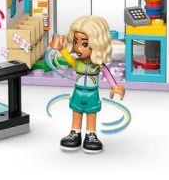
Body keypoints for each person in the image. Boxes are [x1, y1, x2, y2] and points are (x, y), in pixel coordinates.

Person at [50, 15, 124, 153]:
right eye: (76, 42)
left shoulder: (97, 64)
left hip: (92, 93)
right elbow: (69, 60)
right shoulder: (78, 62)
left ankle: (91, 135)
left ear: (97, 44)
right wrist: (61, 49)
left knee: (91, 112)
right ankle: (75, 132)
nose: (78, 48)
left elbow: (107, 73)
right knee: (76, 111)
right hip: (78, 91)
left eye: (84, 44)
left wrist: (115, 86)